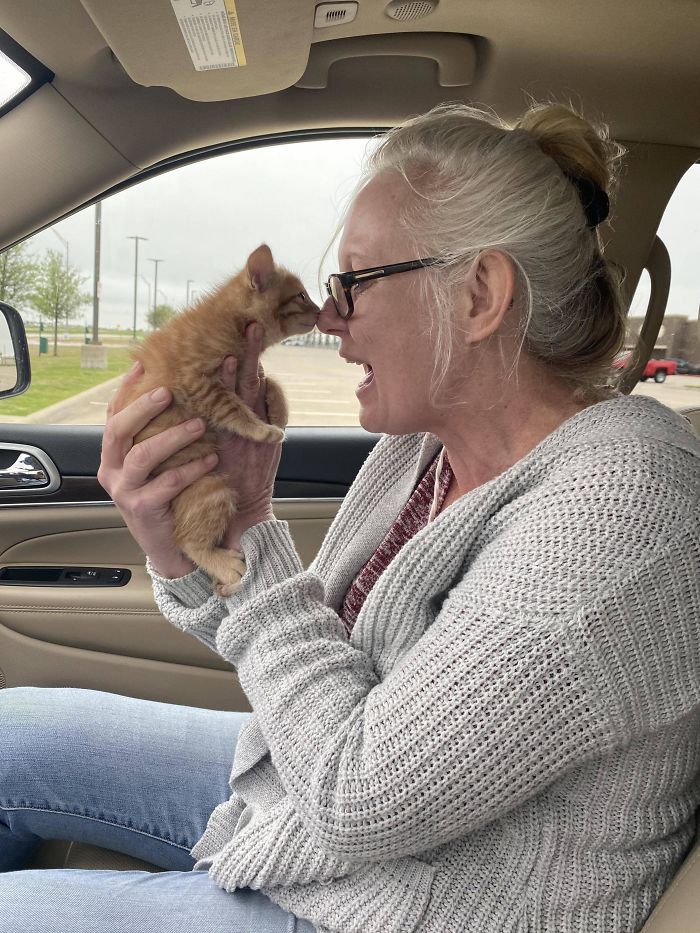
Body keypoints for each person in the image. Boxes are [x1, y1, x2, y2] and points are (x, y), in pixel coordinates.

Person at [1, 101, 699, 933]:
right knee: (12, 731)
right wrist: (200, 548)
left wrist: (255, 535)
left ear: (479, 293)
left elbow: (356, 796)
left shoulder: (619, 511)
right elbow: (311, 668)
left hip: (421, 903)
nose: (328, 317)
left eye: (355, 283)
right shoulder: (422, 451)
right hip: (345, 821)